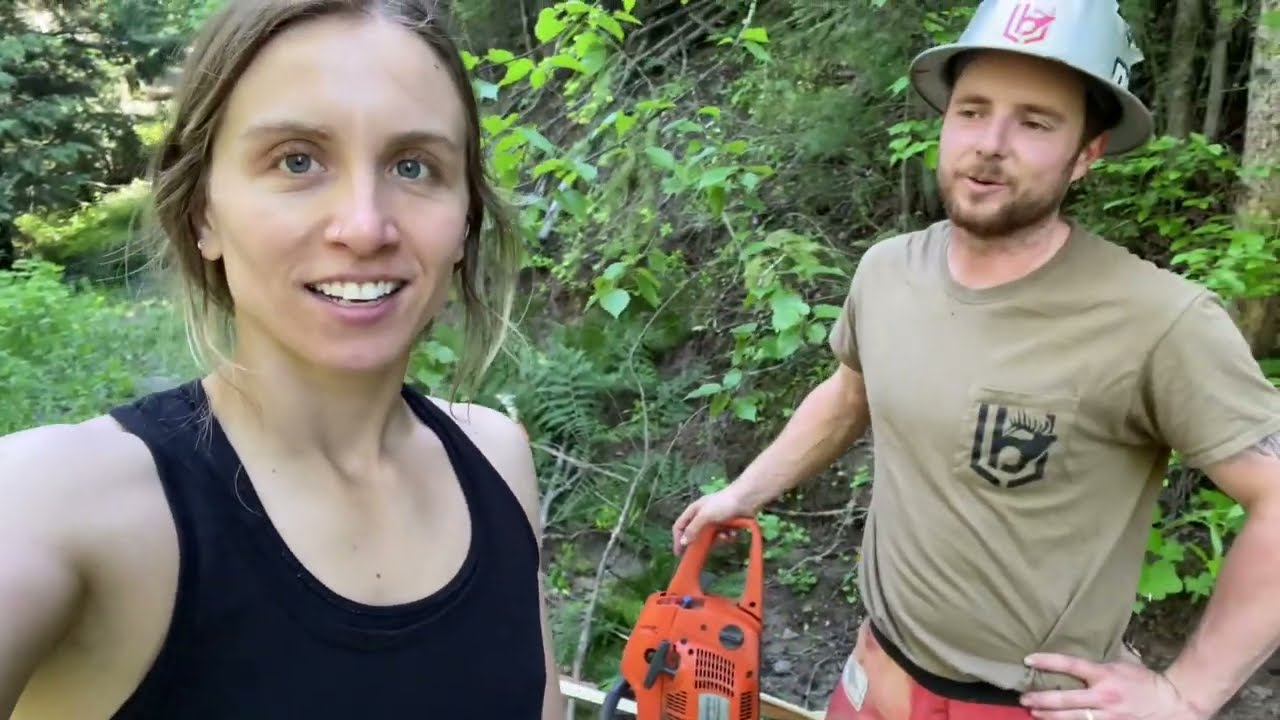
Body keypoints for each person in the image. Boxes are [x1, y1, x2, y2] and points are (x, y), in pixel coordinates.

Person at [671, 1, 1280, 719]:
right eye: (972, 110)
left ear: (1087, 152)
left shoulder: (1158, 321)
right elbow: (848, 395)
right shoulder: (888, 272)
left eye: (1035, 121)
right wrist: (744, 492)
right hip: (874, 677)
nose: (990, 143)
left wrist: (1187, 695)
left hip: (1027, 706)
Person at [0, 2, 566, 718]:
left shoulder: (498, 461)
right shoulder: (65, 501)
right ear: (204, 209)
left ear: (463, 222)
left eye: (414, 165)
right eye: (297, 160)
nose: (364, 227)